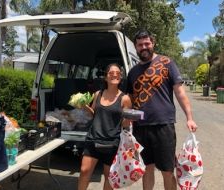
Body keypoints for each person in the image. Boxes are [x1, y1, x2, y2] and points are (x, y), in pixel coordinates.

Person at [125, 29, 198, 190]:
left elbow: (180, 92)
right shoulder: (133, 72)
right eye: (140, 45)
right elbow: (129, 99)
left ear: (153, 43)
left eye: (147, 43)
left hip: (163, 125)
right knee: (147, 169)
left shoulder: (167, 62)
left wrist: (189, 117)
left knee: (167, 170)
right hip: (140, 127)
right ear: (136, 47)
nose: (144, 47)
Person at [78, 63, 132, 190]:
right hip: (93, 139)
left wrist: (128, 120)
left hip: (112, 143)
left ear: (121, 77)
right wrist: (84, 107)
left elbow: (125, 124)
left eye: (118, 73)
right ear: (106, 77)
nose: (114, 75)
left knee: (109, 177)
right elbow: (93, 114)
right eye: (111, 73)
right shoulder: (98, 94)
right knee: (84, 171)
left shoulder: (125, 99)